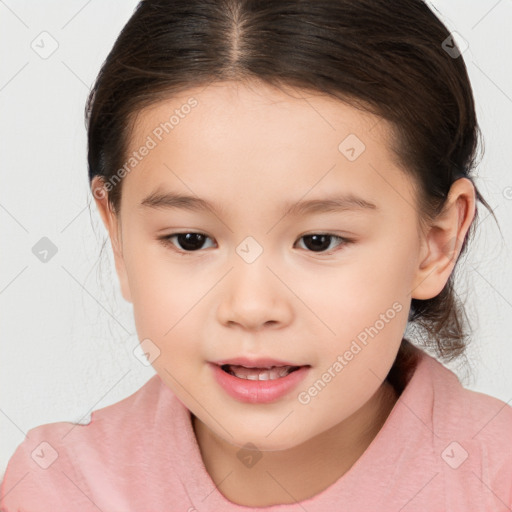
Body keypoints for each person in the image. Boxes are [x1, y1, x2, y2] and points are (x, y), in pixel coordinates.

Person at [1, 0, 511, 510]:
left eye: (318, 241)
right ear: (118, 236)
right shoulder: (61, 488)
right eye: (190, 240)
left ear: (436, 243)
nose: (250, 307)